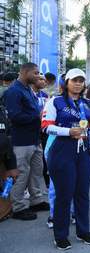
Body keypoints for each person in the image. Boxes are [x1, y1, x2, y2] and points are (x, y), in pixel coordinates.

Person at [42, 68, 90, 249]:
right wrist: (69, 132)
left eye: (81, 81)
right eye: (74, 80)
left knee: (82, 193)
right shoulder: (55, 101)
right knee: (64, 194)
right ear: (66, 83)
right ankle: (60, 235)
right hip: (62, 150)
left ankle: (83, 231)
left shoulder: (88, 103)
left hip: (84, 150)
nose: (78, 83)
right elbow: (46, 127)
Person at [4, 63, 48, 221]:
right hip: (21, 141)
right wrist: (37, 117)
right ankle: (18, 207)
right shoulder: (14, 91)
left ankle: (35, 200)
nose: (38, 76)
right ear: (25, 72)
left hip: (34, 139)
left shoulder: (28, 89)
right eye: (35, 73)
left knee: (36, 171)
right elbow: (14, 117)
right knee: (22, 174)